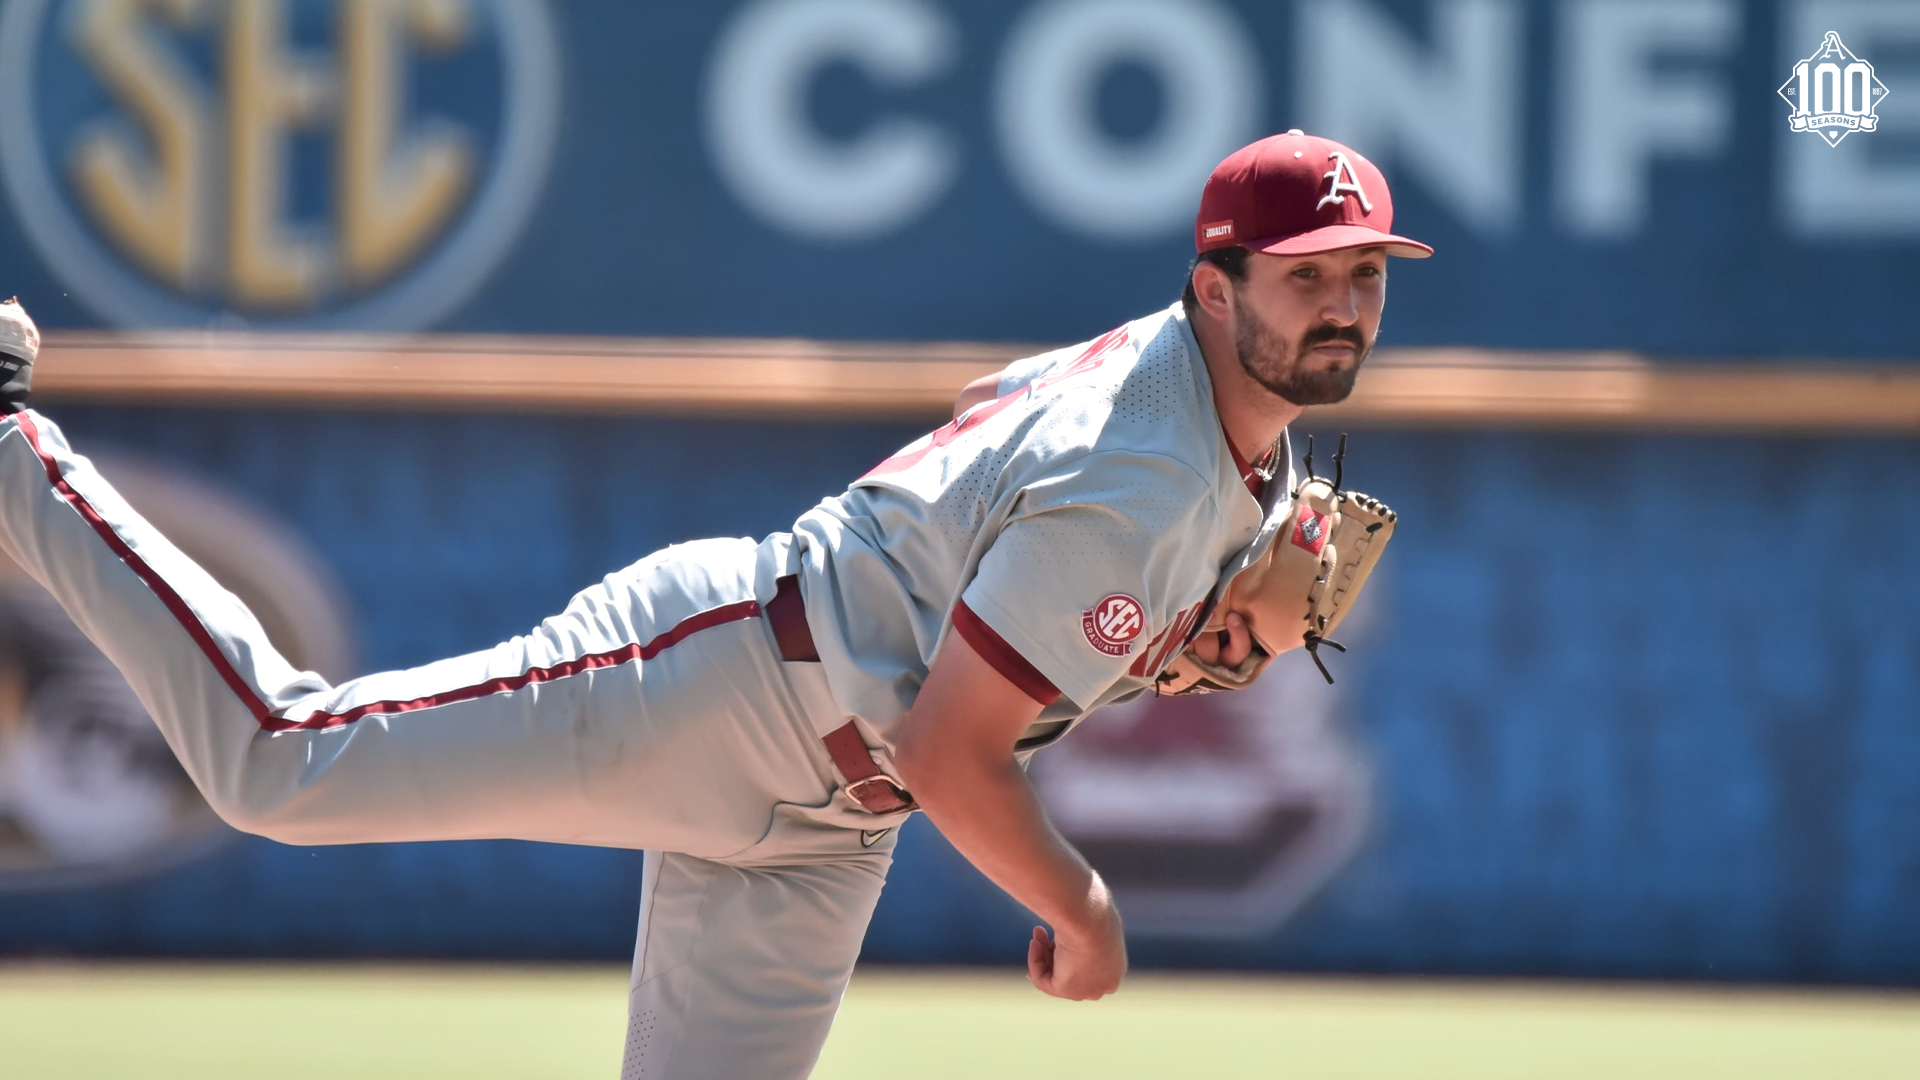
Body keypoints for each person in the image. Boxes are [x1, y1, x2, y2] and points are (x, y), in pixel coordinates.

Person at [0, 130, 1429, 1080]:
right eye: (1309, 278)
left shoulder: (1212, 426)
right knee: (278, 763)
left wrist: (1166, 632)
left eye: (1366, 276)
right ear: (1213, 283)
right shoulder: (1154, 466)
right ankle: (15, 451)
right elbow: (952, 754)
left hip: (821, 822)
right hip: (722, 680)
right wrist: (1081, 900)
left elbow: (989, 438)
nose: (1346, 307)